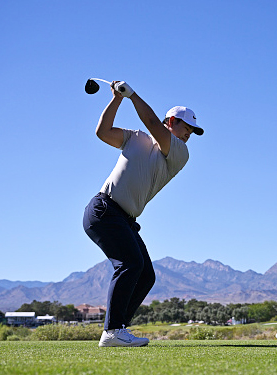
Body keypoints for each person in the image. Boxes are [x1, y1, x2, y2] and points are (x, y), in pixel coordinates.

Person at [82, 80, 204, 347]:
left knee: (146, 274)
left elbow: (151, 121)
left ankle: (117, 328)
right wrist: (117, 99)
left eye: (193, 132)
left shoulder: (179, 153)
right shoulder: (135, 137)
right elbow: (103, 133)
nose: (189, 135)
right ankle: (112, 331)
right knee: (131, 264)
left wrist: (132, 95)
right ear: (171, 121)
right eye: (186, 128)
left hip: (124, 219)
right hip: (104, 209)